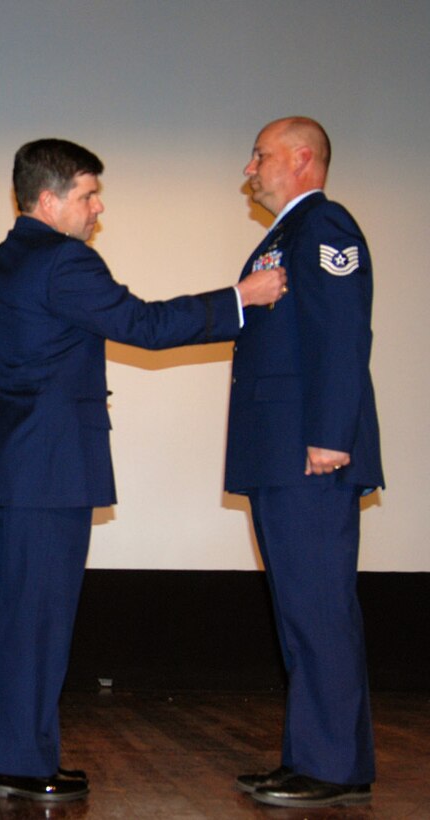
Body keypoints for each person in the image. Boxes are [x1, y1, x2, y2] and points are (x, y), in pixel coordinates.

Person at [0, 138, 287, 802]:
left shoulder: (6, 259)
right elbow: (142, 323)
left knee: (27, 617)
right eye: (88, 195)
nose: (97, 207)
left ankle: (16, 754)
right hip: (47, 467)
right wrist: (240, 299)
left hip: (23, 467)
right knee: (40, 618)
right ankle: (19, 763)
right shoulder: (61, 259)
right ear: (51, 199)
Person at [226, 117, 383, 809]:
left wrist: (329, 435)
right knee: (301, 612)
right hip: (280, 453)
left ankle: (331, 766)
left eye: (260, 155)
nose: (250, 168)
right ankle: (317, 758)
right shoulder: (284, 235)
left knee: (317, 609)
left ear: (300, 158)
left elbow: (341, 334)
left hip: (308, 454)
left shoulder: (325, 227)